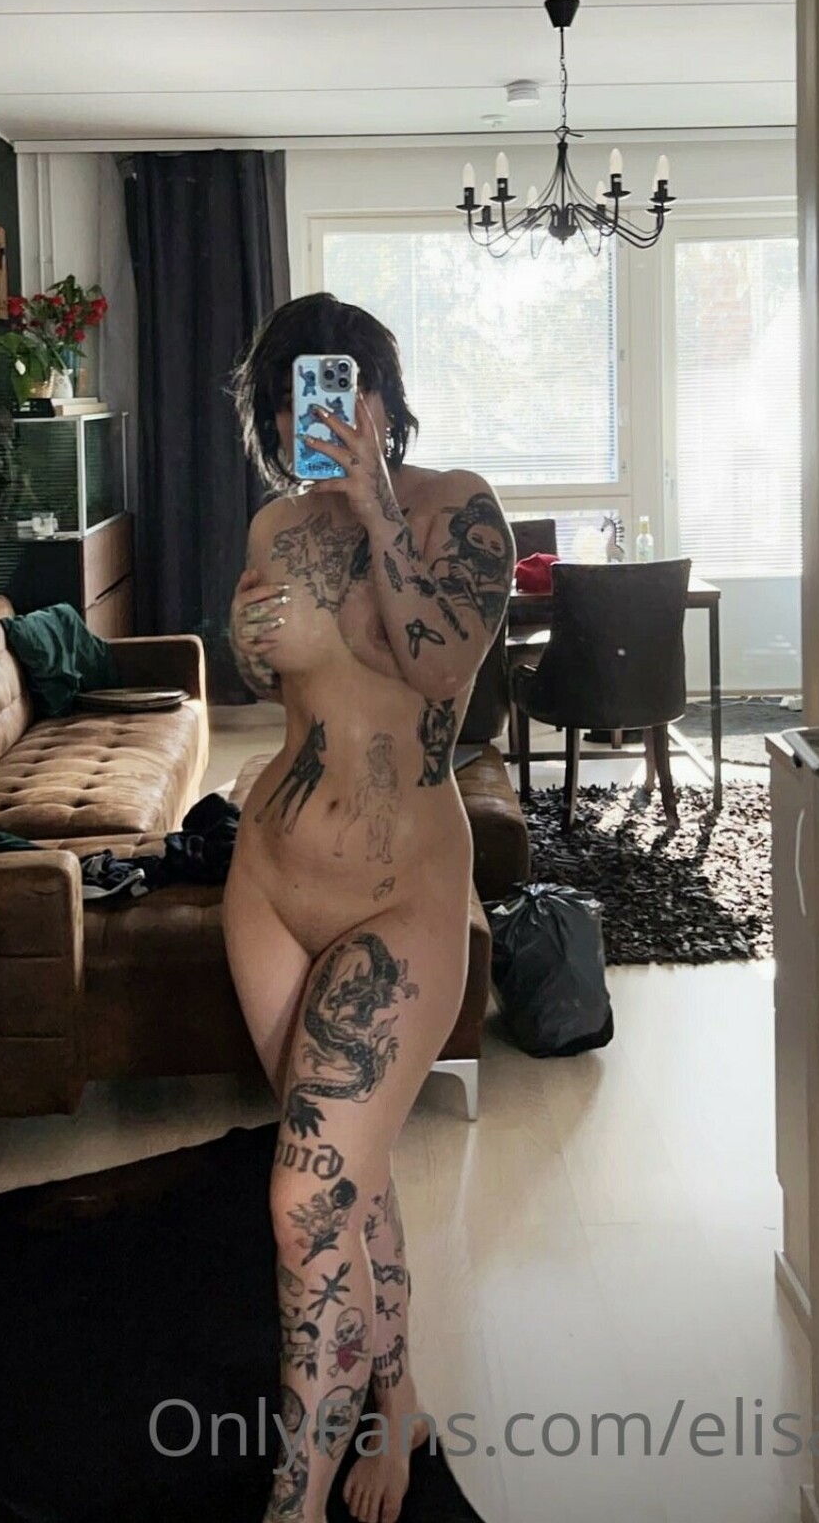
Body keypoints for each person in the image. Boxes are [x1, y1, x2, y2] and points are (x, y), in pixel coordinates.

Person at [224, 293, 513, 1523]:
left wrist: (376, 504)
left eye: (341, 387)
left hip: (401, 900)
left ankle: (295, 1496)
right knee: (349, 1172)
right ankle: (397, 1398)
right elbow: (274, 682)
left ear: (384, 397)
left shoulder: (459, 509)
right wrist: (250, 640)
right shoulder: (274, 524)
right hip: (271, 886)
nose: (321, 416)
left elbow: (439, 665)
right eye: (292, 398)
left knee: (302, 1199)